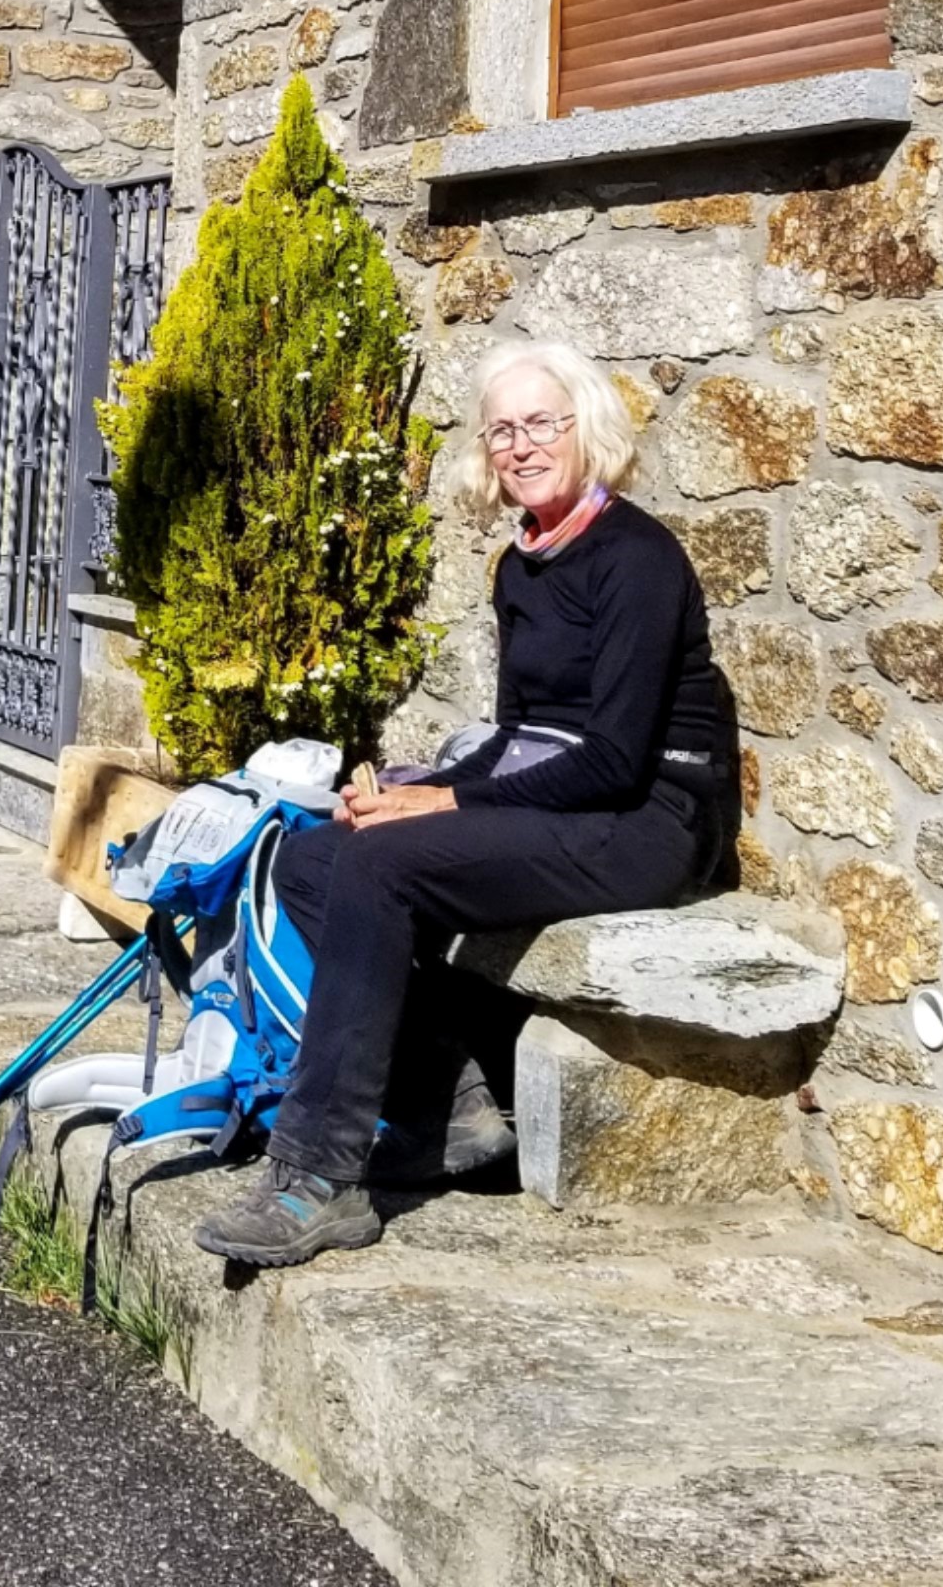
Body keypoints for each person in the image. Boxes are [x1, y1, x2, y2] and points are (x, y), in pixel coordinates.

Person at [192, 338, 741, 1269]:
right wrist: (404, 785)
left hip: (654, 821)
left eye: (540, 425)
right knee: (315, 852)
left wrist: (444, 804)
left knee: (382, 861)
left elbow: (610, 760)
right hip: (572, 804)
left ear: (587, 430)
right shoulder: (520, 566)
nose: (521, 447)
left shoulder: (637, 560)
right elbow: (517, 736)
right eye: (502, 432)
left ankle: (316, 1176)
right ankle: (450, 1106)